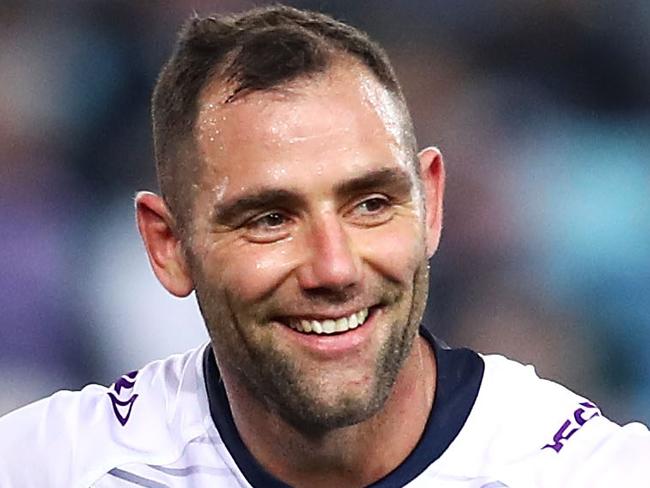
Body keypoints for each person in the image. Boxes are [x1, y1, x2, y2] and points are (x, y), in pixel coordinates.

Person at [0, 5, 648, 487]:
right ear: (168, 246)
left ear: (430, 205)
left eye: (371, 204)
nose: (333, 268)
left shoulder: (588, 473)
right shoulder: (48, 467)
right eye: (269, 219)